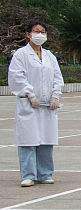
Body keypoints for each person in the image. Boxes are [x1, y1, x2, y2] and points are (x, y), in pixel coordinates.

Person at [9, 22, 63, 187]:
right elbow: (17, 76)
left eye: (43, 32)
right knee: (28, 139)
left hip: (47, 105)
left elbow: (57, 76)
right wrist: (30, 94)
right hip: (29, 104)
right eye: (36, 31)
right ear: (28, 34)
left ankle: (44, 173)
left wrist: (56, 95)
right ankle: (28, 174)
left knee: (46, 139)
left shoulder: (49, 56)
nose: (40, 34)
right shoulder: (21, 55)